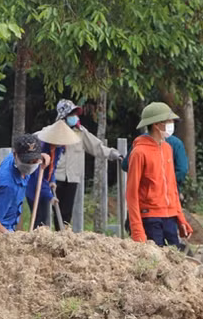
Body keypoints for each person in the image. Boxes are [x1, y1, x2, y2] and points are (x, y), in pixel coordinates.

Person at [126, 101, 192, 246]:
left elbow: (172, 187)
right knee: (155, 263)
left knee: (174, 259)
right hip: (150, 218)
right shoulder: (139, 152)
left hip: (169, 217)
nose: (172, 125)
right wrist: (137, 229)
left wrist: (180, 217)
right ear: (157, 124)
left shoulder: (167, 148)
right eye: (169, 122)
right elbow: (131, 193)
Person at [54, 99, 121, 229]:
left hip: (72, 176)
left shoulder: (80, 131)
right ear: (63, 116)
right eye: (71, 114)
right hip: (56, 176)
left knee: (66, 212)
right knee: (54, 210)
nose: (74, 117)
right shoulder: (53, 131)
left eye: (75, 114)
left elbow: (95, 146)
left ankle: (63, 236)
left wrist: (113, 154)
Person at [24, 120, 80, 229]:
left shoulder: (58, 148)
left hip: (44, 184)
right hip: (34, 186)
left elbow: (52, 167)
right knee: (39, 218)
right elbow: (38, 175)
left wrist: (52, 180)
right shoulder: (41, 148)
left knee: (44, 219)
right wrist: (50, 196)